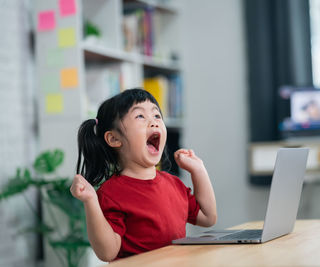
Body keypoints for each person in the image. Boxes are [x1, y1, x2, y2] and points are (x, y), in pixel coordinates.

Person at [70, 88, 217, 261]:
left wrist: (198, 170)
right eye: (140, 116)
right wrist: (90, 200)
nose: (154, 122)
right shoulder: (111, 193)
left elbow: (208, 217)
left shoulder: (174, 184)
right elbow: (107, 253)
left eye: (157, 116)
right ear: (114, 139)